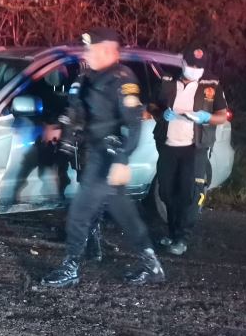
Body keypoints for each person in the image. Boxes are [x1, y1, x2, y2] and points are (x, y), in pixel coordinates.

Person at [41, 28, 164, 288]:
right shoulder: (88, 76)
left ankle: (70, 267)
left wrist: (121, 159)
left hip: (107, 156)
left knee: (79, 211)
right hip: (92, 151)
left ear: (108, 51)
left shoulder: (122, 79)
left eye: (92, 49)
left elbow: (133, 124)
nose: (87, 54)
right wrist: (62, 127)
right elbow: (76, 111)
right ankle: (152, 265)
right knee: (125, 213)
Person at [148, 44, 228, 255]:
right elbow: (152, 105)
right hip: (168, 146)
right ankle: (172, 232)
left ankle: (182, 237)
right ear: (183, 63)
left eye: (199, 66)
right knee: (166, 191)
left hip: (195, 148)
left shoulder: (212, 85)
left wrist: (207, 118)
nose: (195, 69)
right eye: (191, 64)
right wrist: (161, 113)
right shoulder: (167, 80)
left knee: (188, 194)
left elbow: (222, 115)